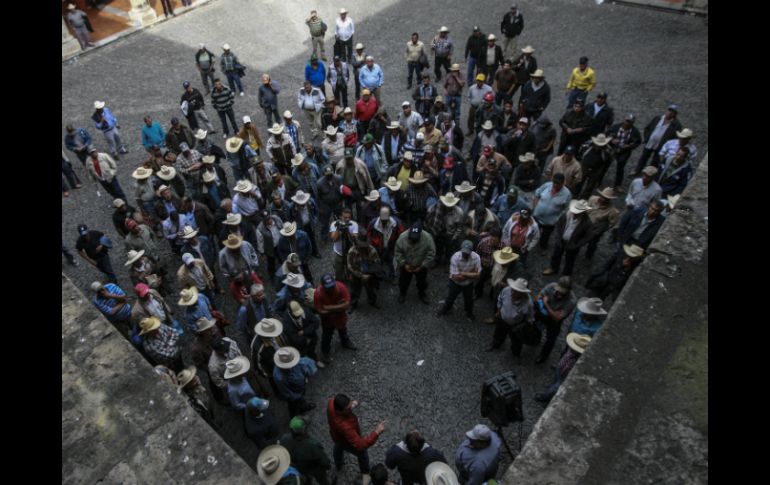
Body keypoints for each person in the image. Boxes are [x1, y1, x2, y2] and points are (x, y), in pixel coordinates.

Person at [327, 393, 386, 481]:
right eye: (348, 408)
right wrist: (376, 432)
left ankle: (338, 463)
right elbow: (360, 445)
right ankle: (365, 472)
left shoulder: (331, 402)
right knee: (362, 453)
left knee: (338, 446)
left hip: (336, 436)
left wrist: (351, 404)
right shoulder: (344, 426)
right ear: (340, 411)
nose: (350, 408)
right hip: (345, 440)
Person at [486, 277, 535, 361]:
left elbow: (530, 318)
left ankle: (516, 353)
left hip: (516, 325)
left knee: (516, 341)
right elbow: (500, 299)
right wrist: (498, 310)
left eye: (516, 291)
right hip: (502, 319)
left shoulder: (528, 303)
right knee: (498, 333)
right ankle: (496, 344)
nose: (512, 292)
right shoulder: (506, 290)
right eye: (513, 289)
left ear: (522, 293)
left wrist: (525, 327)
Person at [534, 333, 591, 403]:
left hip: (564, 377)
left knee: (555, 388)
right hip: (560, 368)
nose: (571, 348)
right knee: (555, 381)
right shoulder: (571, 351)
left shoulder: (578, 361)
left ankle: (545, 398)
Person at [542, 199, 594, 276]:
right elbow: (559, 224)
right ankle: (553, 268)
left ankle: (566, 276)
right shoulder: (566, 214)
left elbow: (588, 237)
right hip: (561, 240)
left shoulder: (587, 222)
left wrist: (577, 245)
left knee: (570, 260)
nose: (575, 213)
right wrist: (558, 237)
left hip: (573, 244)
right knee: (556, 255)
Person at [533, 276, 577, 364]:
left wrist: (545, 304)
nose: (559, 294)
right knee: (535, 326)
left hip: (553, 321)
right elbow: (537, 299)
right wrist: (541, 301)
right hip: (543, 313)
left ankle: (543, 356)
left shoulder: (571, 300)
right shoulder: (551, 286)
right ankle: (536, 338)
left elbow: (557, 318)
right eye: (558, 290)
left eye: (562, 292)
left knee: (551, 339)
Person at [314, 273, 356, 364]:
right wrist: (339, 307)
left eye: (332, 286)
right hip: (328, 320)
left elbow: (347, 304)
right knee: (327, 336)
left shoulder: (341, 287)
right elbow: (320, 311)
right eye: (328, 287)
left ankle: (345, 342)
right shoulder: (318, 293)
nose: (330, 288)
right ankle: (325, 352)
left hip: (340, 317)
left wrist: (329, 308)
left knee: (343, 330)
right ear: (323, 286)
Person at [280, 416, 333, 485]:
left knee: (306, 480)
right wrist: (327, 465)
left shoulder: (284, 438)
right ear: (303, 431)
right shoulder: (312, 445)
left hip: (299, 468)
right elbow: (323, 460)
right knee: (322, 480)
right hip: (314, 469)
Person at [437, 240, 481, 320]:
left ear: (472, 251)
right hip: (455, 282)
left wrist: (462, 273)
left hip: (468, 283)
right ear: (461, 249)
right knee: (450, 297)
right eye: (464, 252)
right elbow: (456, 277)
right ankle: (445, 310)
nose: (465, 254)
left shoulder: (477, 257)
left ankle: (469, 313)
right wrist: (471, 273)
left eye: (467, 252)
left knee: (469, 300)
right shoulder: (455, 257)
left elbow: (478, 275)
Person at [634, 104, 683, 174]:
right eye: (669, 110)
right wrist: (646, 137)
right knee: (644, 157)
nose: (670, 112)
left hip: (661, 146)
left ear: (675, 114)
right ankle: (637, 170)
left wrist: (668, 146)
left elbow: (675, 138)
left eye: (673, 112)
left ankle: (650, 174)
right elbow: (648, 128)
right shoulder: (658, 118)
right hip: (650, 142)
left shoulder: (676, 125)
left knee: (655, 160)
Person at [395, 223, 436, 304]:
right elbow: (397, 252)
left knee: (422, 282)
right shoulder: (402, 237)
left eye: (415, 239)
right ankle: (402, 293)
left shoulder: (428, 238)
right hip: (406, 265)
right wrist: (403, 263)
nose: (413, 241)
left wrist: (423, 265)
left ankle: (422, 294)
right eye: (411, 239)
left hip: (420, 265)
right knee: (403, 281)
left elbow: (431, 254)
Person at [273, 346, 318, 416]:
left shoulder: (292, 359)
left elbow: (302, 364)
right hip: (293, 392)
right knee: (293, 404)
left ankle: (303, 407)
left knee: (302, 397)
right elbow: (287, 392)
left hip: (300, 386)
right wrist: (297, 397)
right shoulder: (279, 377)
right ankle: (294, 415)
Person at [532, 173, 572, 249]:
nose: (556, 185)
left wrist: (558, 219)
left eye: (558, 183)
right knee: (533, 233)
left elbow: (566, 209)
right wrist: (535, 207)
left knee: (545, 237)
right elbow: (537, 194)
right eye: (554, 182)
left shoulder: (567, 194)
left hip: (550, 222)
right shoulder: (547, 185)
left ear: (563, 183)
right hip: (537, 216)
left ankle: (543, 247)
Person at [607, 114, 642, 192]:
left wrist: (629, 146)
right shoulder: (616, 127)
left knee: (620, 167)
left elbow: (638, 141)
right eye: (626, 121)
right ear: (624, 120)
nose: (627, 123)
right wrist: (612, 140)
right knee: (606, 164)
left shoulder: (635, 132)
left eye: (629, 122)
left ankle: (617, 184)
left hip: (624, 151)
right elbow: (607, 134)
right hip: (613, 148)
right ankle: (598, 180)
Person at [367, 206, 404, 281]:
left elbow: (402, 235)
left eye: (385, 220)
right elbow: (368, 235)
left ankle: (393, 276)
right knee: (378, 262)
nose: (384, 222)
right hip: (378, 248)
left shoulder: (396, 223)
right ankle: (379, 275)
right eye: (382, 220)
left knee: (392, 263)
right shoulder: (373, 224)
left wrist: (399, 246)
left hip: (391, 247)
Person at [346, 233, 383, 310]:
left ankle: (372, 301)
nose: (363, 247)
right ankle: (353, 304)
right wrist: (360, 275)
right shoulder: (351, 252)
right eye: (361, 245)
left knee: (371, 289)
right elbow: (350, 266)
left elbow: (377, 263)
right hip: (356, 274)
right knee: (354, 290)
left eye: (365, 245)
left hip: (369, 273)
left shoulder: (372, 250)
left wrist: (370, 274)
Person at [575, 133, 614, 200]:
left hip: (597, 169)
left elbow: (608, 161)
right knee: (579, 182)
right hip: (584, 166)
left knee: (590, 186)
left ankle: (583, 199)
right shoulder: (587, 145)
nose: (598, 146)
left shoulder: (608, 150)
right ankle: (575, 196)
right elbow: (580, 152)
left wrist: (601, 172)